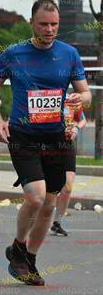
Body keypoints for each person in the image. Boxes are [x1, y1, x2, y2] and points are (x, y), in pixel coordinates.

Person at [0, 0, 91, 286]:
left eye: (54, 24)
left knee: (50, 203)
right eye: (43, 24)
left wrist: (81, 98)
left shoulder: (69, 54)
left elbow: (86, 93)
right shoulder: (14, 54)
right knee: (35, 196)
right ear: (31, 22)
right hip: (24, 135)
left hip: (58, 136)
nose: (49, 29)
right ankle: (19, 246)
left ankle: (28, 258)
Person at [51, 95, 87, 237]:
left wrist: (76, 128)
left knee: (68, 186)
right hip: (47, 145)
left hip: (66, 145)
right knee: (48, 189)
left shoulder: (71, 100)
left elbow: (82, 119)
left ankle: (57, 223)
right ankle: (39, 219)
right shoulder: (45, 96)